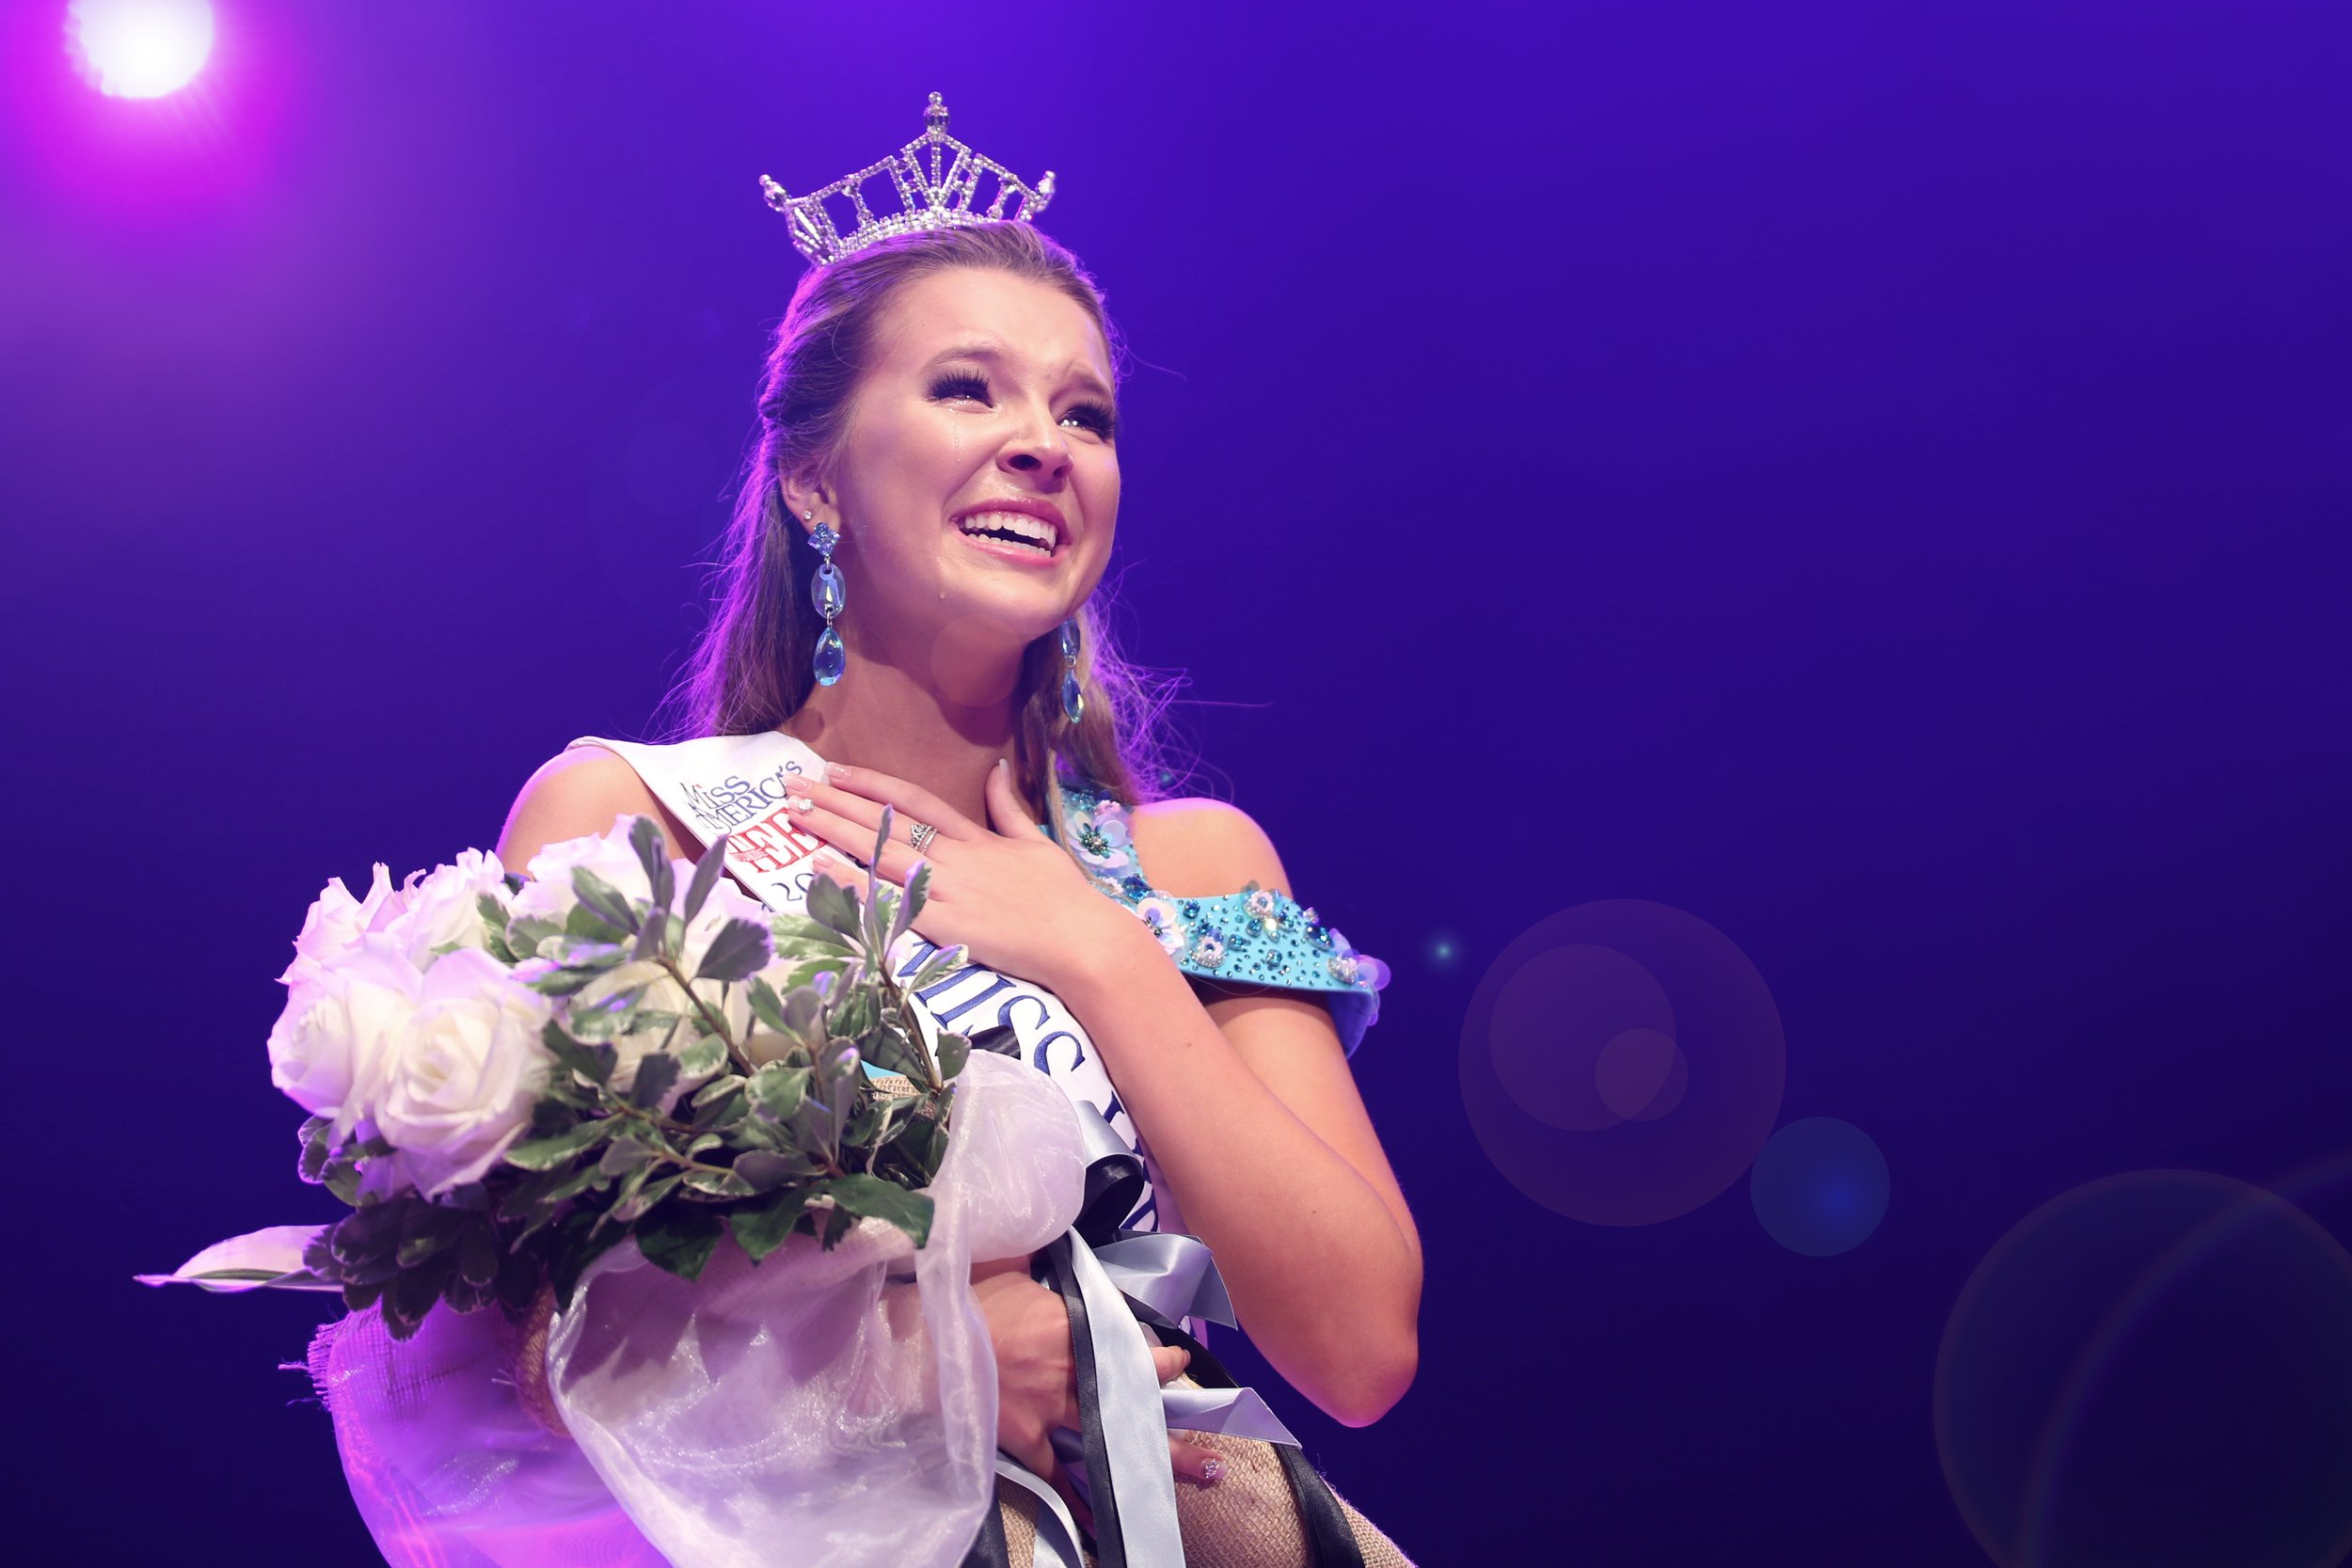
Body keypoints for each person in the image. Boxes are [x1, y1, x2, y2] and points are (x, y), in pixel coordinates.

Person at [496, 98, 1421, 1554]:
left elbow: (1361, 1349)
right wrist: (922, 1369)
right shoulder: (641, 826)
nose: (1043, 446)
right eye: (969, 390)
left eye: (1087, 415)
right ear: (811, 477)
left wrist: (1099, 952)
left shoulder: (1194, 866)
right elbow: (499, 1354)